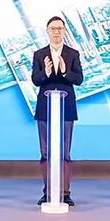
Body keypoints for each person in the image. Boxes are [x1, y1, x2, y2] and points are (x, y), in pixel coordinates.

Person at [31, 16, 84, 206]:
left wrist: (64, 71)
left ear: (64, 31)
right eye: (53, 28)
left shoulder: (73, 53)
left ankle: (65, 193)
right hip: (45, 107)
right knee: (46, 152)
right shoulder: (39, 54)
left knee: (64, 152)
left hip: (66, 107)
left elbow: (79, 79)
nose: (56, 32)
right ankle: (48, 192)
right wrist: (45, 73)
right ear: (47, 31)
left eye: (60, 28)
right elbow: (35, 80)